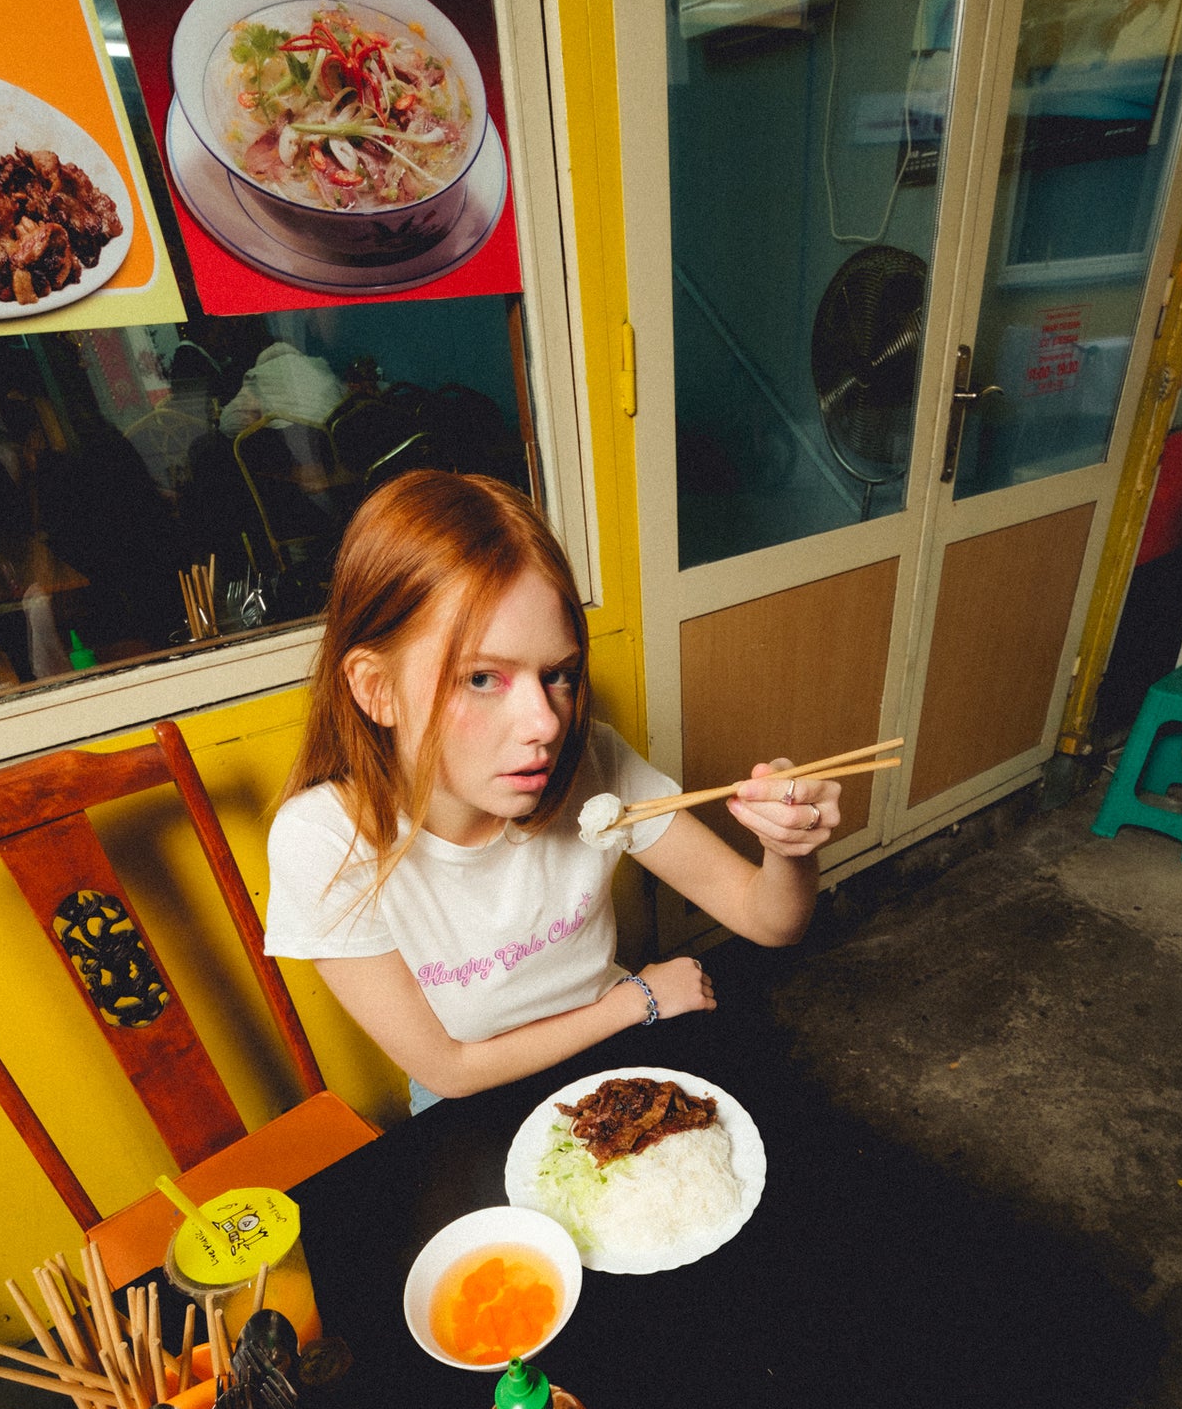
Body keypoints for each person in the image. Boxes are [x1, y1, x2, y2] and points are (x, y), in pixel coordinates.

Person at [264, 471, 841, 1110]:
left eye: (558, 675)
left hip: (618, 1052)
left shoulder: (592, 761)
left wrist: (790, 849)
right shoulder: (323, 840)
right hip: (475, 1098)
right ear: (376, 688)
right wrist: (636, 1000)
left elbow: (770, 922)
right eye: (482, 678)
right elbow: (451, 1070)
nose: (546, 724)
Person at [218, 341, 345, 439]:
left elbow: (229, 424)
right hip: (341, 432)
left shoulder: (256, 378)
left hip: (312, 445)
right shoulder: (317, 365)